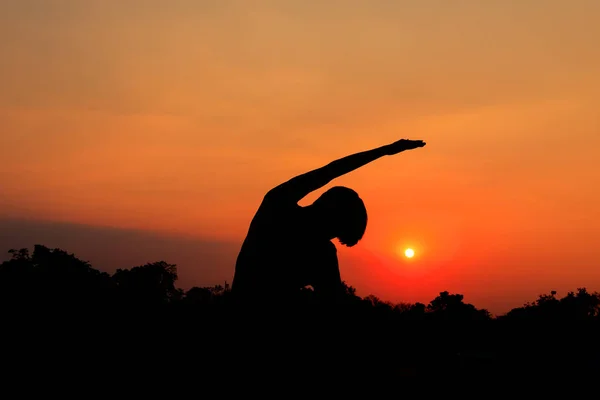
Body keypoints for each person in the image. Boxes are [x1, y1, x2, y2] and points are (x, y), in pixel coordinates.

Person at [231, 138, 426, 305]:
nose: (328, 237)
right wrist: (384, 151)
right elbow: (329, 171)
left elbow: (333, 304)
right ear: (328, 211)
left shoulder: (321, 251)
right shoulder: (277, 206)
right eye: (333, 230)